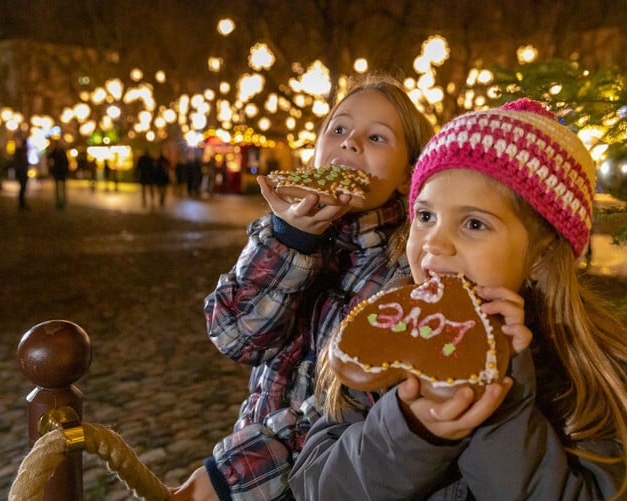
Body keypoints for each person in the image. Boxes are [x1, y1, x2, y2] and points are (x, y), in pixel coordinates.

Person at [289, 99, 627, 500]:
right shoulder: (386, 334)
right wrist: (411, 432)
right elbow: (318, 487)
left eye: (474, 223)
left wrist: (499, 407)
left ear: (541, 254)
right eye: (425, 216)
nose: (435, 241)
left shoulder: (597, 370)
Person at [169, 74, 435, 500]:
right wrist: (289, 241)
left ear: (408, 174)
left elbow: (355, 407)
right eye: (340, 128)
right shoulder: (282, 233)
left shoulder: (410, 267)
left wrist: (233, 473)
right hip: (254, 460)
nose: (351, 143)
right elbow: (235, 337)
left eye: (378, 137)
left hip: (320, 479)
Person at [47, 140, 69, 209]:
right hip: (57, 171)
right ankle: (58, 198)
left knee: (63, 186)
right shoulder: (55, 151)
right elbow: (49, 157)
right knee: (58, 186)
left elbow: (66, 162)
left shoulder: (62, 152)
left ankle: (63, 198)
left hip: (62, 171)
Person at [13, 138, 29, 209]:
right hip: (21, 172)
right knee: (22, 187)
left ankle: (22, 203)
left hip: (23, 172)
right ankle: (21, 203)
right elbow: (18, 163)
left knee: (23, 188)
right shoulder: (20, 152)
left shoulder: (22, 153)